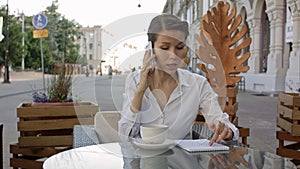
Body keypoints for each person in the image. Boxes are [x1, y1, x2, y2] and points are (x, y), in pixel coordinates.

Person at [118, 14, 239, 145]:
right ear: (151, 49)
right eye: (164, 48)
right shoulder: (134, 80)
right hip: (143, 159)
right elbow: (125, 136)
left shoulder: (198, 84)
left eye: (179, 47)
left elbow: (224, 124)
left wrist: (226, 131)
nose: (173, 55)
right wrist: (140, 91)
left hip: (182, 160)